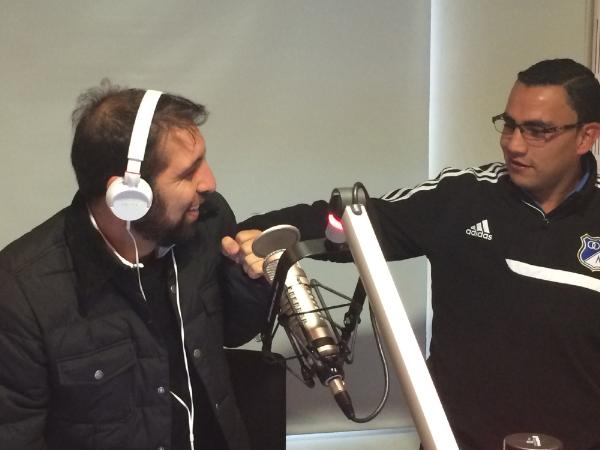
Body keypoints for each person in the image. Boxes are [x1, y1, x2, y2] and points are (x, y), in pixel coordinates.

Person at [222, 58, 600, 449]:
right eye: (509, 124)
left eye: (537, 131)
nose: (513, 144)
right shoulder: (463, 198)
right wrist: (259, 232)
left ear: (585, 137)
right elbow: (353, 223)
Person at [0, 82, 271, 450]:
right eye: (187, 174)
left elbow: (231, 335)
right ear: (128, 195)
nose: (209, 183)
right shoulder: (22, 294)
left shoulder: (207, 220)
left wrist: (246, 278)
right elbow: (16, 435)